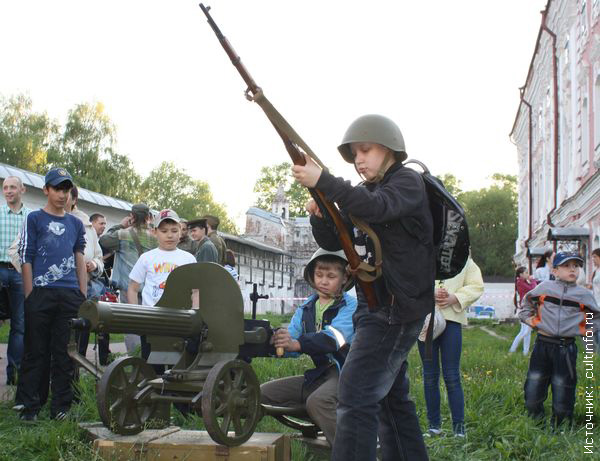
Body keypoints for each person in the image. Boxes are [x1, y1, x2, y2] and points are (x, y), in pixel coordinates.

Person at [292, 114, 433, 460]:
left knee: (355, 394)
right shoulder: (366, 192)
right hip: (377, 306)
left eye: (366, 150)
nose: (359, 159)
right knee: (390, 399)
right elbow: (336, 241)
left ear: (389, 149)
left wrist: (324, 181)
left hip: (395, 310)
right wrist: (321, 214)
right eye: (355, 153)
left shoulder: (407, 183)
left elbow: (377, 208)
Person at [261, 249, 357, 446]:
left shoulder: (351, 307)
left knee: (319, 402)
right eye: (319, 275)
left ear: (345, 278)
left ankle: (352, 451)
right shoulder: (306, 308)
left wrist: (297, 344)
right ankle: (321, 421)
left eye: (331, 276)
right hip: (321, 375)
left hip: (348, 374)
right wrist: (276, 342)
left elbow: (333, 338)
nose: (324, 281)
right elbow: (292, 342)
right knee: (261, 394)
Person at [16, 167, 87, 421]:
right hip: (40, 293)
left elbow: (79, 258)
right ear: (46, 190)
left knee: (65, 353)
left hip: (69, 295)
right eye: (57, 188)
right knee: (36, 351)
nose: (62, 194)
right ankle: (31, 406)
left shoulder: (76, 224)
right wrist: (30, 294)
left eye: (66, 189)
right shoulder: (34, 219)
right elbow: (26, 256)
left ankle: (61, 407)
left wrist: (81, 293)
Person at [519, 251, 599, 428]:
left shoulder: (584, 295)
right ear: (555, 271)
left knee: (564, 389)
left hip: (566, 349)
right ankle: (535, 425)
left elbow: (594, 318)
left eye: (576, 266)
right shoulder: (544, 288)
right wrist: (532, 321)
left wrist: (587, 337)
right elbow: (527, 303)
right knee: (533, 388)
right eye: (566, 266)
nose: (572, 269)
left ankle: (561, 428)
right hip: (542, 345)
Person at [417, 257, 484, 438]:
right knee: (429, 376)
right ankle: (434, 426)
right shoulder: (421, 254)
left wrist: (455, 297)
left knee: (452, 375)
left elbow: (477, 285)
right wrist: (429, 293)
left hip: (452, 322)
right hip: (426, 322)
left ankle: (459, 428)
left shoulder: (464, 259)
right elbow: (410, 281)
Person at [127, 209, 196, 371]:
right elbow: (133, 288)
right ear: (154, 232)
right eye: (164, 231)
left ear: (181, 232)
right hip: (151, 319)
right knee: (151, 364)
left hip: (179, 318)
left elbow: (196, 290)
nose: (169, 235)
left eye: (174, 231)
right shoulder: (147, 258)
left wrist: (195, 313)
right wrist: (136, 313)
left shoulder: (188, 258)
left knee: (179, 364)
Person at [99, 203, 157, 354]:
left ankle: (135, 357)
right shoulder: (155, 237)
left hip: (128, 286)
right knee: (150, 323)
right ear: (148, 217)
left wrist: (120, 225)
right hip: (149, 287)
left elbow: (103, 241)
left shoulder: (122, 234)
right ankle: (149, 356)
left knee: (132, 324)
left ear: (132, 216)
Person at [66, 186, 105, 360]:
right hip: (53, 287)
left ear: (74, 200)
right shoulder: (41, 219)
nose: (61, 196)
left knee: (80, 330)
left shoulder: (88, 226)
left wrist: (94, 264)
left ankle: (76, 367)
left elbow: (99, 257)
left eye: (66, 193)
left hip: (82, 288)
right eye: (56, 190)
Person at [0, 176, 31, 386]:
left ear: (22, 190)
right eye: (5, 188)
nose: (9, 191)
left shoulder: (31, 217)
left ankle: (14, 375)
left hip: (21, 273)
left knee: (19, 325)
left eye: (12, 187)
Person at [509, 267, 538, 355]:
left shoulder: (524, 282)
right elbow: (533, 289)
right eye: (526, 273)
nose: (528, 274)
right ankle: (512, 350)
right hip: (526, 309)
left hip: (528, 308)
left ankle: (525, 352)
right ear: (521, 275)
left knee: (526, 332)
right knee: (526, 332)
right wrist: (533, 280)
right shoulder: (520, 283)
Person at [589, 248, 600, 353]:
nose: (593, 259)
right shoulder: (596, 271)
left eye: (595, 257)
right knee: (594, 329)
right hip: (595, 304)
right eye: (592, 257)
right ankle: (596, 352)